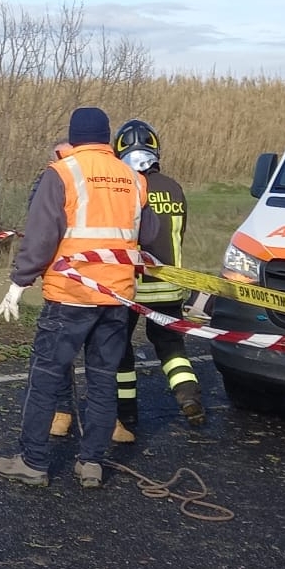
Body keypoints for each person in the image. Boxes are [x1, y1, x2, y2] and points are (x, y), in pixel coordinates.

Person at [0, 107, 158, 489]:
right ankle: (92, 464)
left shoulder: (63, 173)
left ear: (74, 136)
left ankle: (33, 461)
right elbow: (148, 232)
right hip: (116, 297)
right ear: (106, 138)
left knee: (46, 377)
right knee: (102, 380)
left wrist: (19, 282)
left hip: (70, 296)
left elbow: (41, 235)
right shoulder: (133, 179)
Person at [113, 118, 205, 428]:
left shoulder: (127, 188)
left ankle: (126, 415)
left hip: (133, 286)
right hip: (170, 285)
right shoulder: (175, 188)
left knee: (119, 348)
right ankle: (188, 394)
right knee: (171, 347)